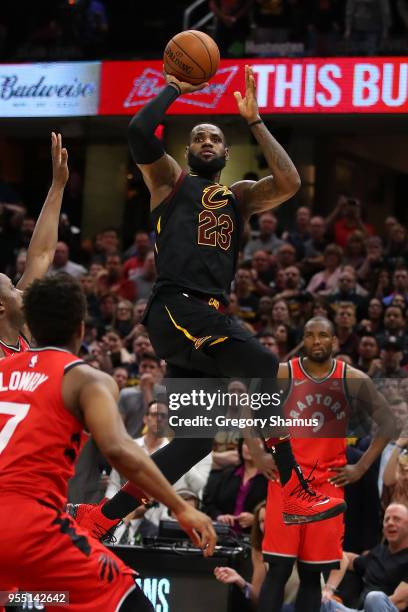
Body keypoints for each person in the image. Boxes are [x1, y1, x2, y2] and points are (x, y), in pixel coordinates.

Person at [74, 65, 345, 539]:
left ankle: (101, 518)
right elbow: (139, 129)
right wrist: (176, 88)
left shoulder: (239, 197)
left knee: (196, 442)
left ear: (225, 153)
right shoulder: (169, 181)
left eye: (215, 138)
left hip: (201, 320)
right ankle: (296, 488)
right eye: (198, 136)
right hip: (177, 305)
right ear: (186, 150)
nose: (205, 141)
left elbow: (289, 183)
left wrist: (256, 121)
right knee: (262, 359)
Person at [0, 275, 216, 611]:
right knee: (129, 602)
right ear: (81, 329)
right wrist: (181, 507)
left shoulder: (3, 368)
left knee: (40, 599)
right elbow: (118, 448)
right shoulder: (83, 377)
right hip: (30, 526)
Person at [259, 317, 395, 612]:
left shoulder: (351, 378)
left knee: (311, 575)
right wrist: (259, 454)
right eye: (309, 336)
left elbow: (389, 423)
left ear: (334, 342)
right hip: (286, 483)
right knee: (279, 571)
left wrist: (360, 468)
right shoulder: (285, 373)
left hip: (326, 487)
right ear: (303, 340)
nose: (316, 341)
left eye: (323, 336)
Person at [0, 133, 68, 359]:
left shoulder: (22, 332)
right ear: (1, 307)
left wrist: (57, 187)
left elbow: (41, 255)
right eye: (12, 288)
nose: (21, 290)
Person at [321, 503, 408, 612]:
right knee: (324, 603)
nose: (390, 523)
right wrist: (328, 590)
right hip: (361, 610)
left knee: (375, 598)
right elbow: (345, 558)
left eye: (397, 519)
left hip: (385, 608)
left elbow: (400, 602)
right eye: (386, 520)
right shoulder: (378, 552)